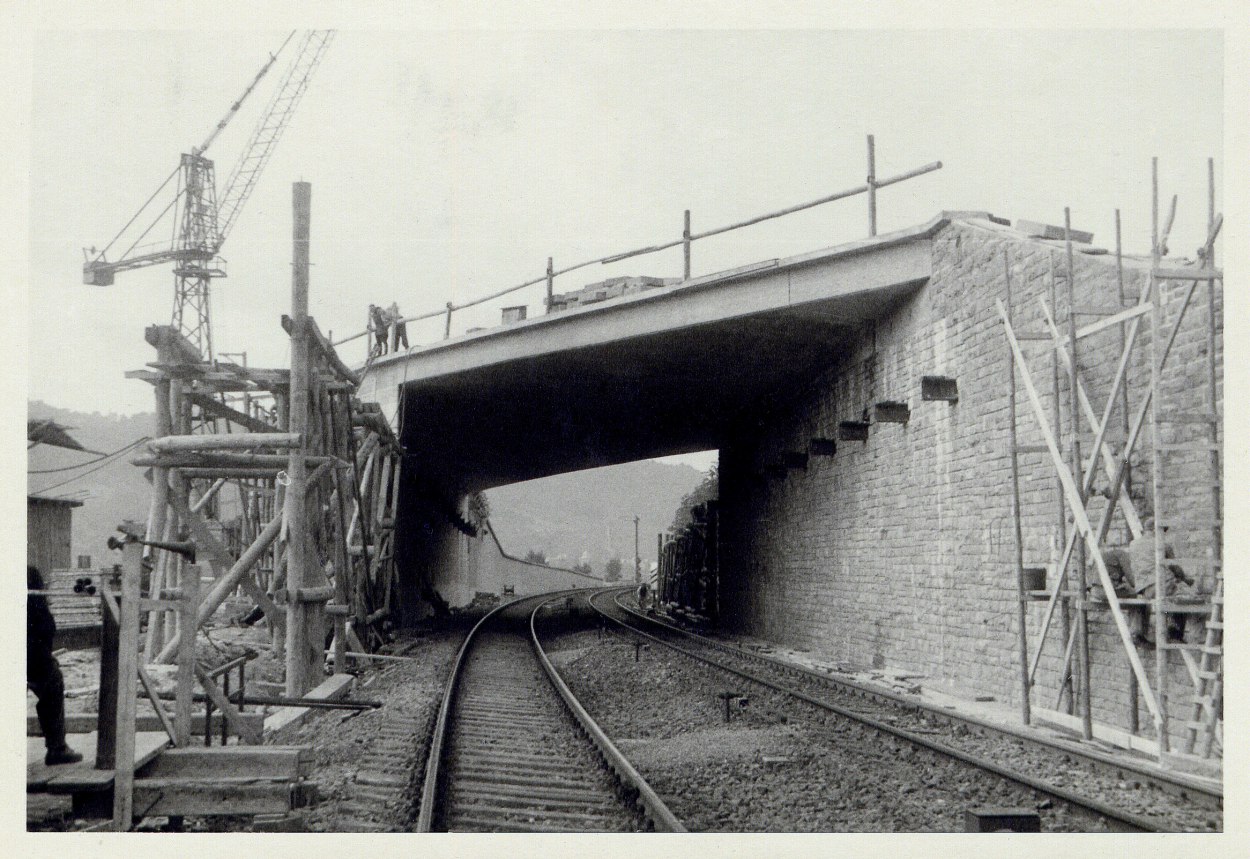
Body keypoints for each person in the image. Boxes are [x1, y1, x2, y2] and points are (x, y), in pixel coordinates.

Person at [27, 566, 83, 766]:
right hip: (28, 657)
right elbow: (44, 627)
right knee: (52, 678)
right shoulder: (28, 576)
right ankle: (57, 748)